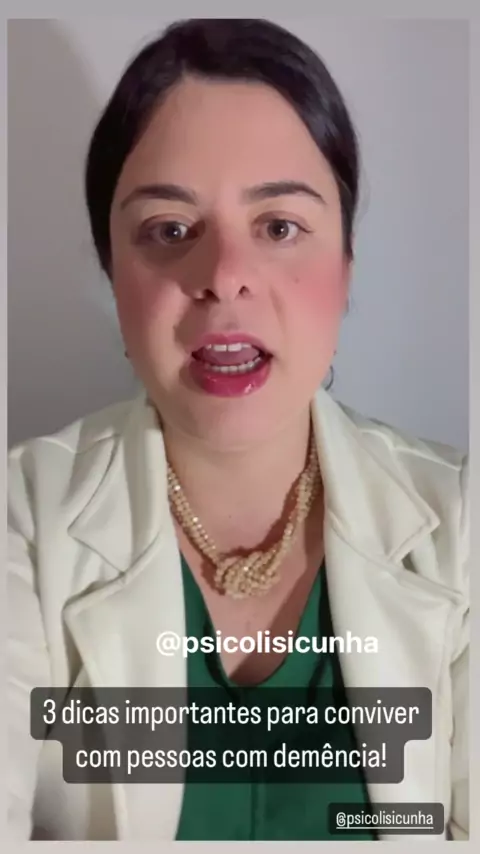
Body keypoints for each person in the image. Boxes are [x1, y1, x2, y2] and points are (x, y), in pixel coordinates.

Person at [8, 18, 469, 842]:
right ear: (113, 274)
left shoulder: (463, 525)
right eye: (169, 230)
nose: (223, 278)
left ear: (347, 265)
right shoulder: (20, 521)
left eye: (279, 226)